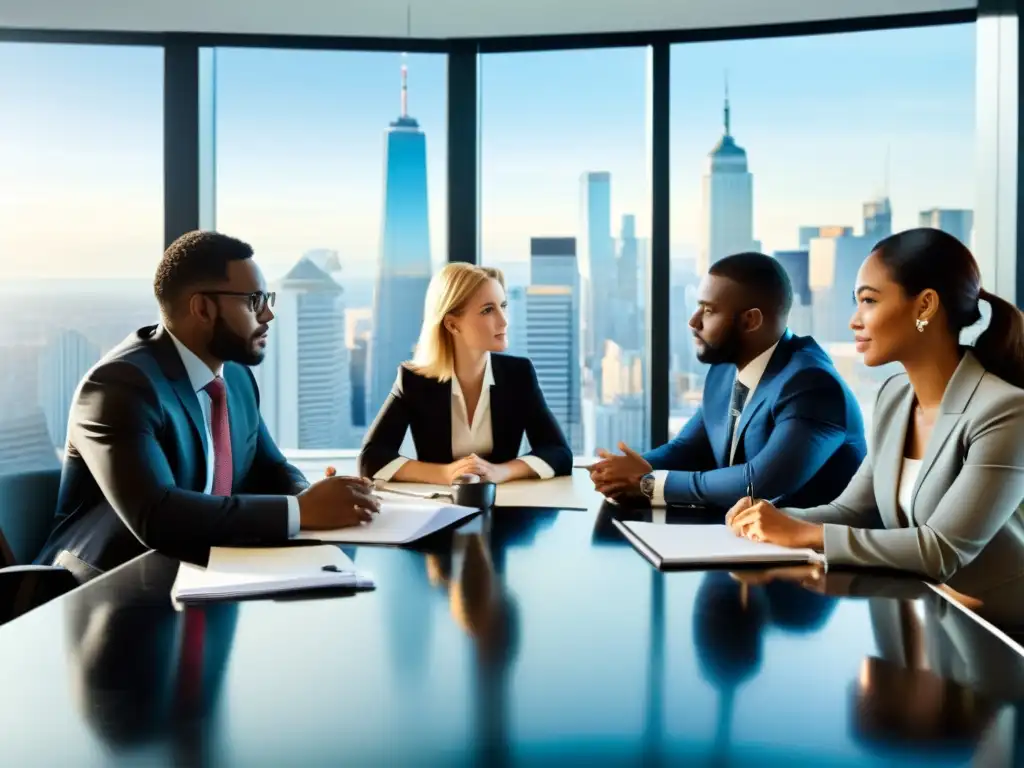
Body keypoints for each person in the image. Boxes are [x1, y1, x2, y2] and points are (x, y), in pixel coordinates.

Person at [37, 230, 379, 581]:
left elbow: (270, 468)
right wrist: (300, 511)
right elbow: (157, 517)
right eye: (254, 301)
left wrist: (313, 496)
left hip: (203, 574)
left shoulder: (236, 377)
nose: (268, 316)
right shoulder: (119, 387)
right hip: (106, 588)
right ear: (202, 307)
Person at [726, 228, 1024, 611]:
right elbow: (854, 510)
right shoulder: (895, 397)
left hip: (1002, 635)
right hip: (924, 612)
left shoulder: (1005, 411)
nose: (854, 320)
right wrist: (769, 516)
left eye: (869, 300)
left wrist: (802, 533)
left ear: (925, 306)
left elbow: (942, 550)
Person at [590, 251, 866, 509]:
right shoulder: (724, 372)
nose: (693, 322)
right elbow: (689, 449)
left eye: (708, 311)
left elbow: (758, 482)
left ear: (750, 321)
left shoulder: (811, 384)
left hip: (815, 551)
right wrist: (623, 471)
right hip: (744, 537)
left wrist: (648, 484)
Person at [359, 263, 572, 484]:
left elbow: (558, 452)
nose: (504, 321)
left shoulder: (518, 374)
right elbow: (371, 459)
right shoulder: (414, 379)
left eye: (503, 306)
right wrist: (446, 474)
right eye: (488, 310)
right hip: (439, 507)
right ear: (452, 324)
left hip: (506, 505)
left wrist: (501, 472)